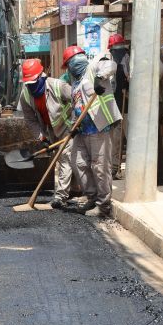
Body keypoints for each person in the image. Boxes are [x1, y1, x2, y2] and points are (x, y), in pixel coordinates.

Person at [63, 45, 122, 219]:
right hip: (82, 130)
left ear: (74, 61)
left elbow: (111, 65)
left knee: (99, 166)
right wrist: (73, 126)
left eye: (68, 65)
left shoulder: (93, 67)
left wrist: (99, 78)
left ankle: (103, 206)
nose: (68, 69)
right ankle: (92, 197)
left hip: (99, 127)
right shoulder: (75, 82)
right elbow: (77, 106)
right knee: (78, 162)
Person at [20, 58, 73, 209]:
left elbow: (78, 99)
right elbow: (30, 120)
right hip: (50, 130)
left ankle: (60, 197)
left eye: (33, 82)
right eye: (28, 83)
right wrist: (41, 137)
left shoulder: (58, 86)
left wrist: (76, 124)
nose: (31, 86)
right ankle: (73, 191)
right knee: (62, 161)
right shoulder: (25, 95)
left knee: (65, 158)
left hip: (68, 127)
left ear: (41, 76)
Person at [107, 33, 130, 177]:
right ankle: (115, 168)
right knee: (116, 137)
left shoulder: (124, 59)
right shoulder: (114, 62)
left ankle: (117, 167)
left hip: (125, 104)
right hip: (117, 104)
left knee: (121, 136)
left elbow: (128, 78)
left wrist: (126, 86)